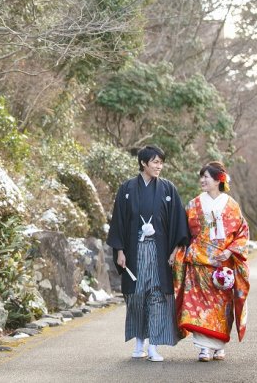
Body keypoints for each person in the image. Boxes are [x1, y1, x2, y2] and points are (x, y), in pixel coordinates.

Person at [107, 145, 190, 362]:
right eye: (155, 162)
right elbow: (118, 222)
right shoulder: (126, 189)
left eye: (161, 162)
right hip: (134, 251)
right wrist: (120, 251)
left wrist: (174, 251)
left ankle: (153, 345)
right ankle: (138, 342)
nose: (159, 166)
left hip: (159, 251)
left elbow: (178, 223)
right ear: (144, 163)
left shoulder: (168, 189)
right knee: (136, 296)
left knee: (157, 296)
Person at [172, 161, 250, 362]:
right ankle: (203, 348)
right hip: (198, 262)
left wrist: (230, 251)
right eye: (202, 176)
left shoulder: (231, 205)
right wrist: (178, 252)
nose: (202, 180)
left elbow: (242, 233)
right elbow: (184, 233)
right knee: (197, 305)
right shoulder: (194, 203)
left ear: (218, 180)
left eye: (206, 176)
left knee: (221, 307)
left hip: (222, 265)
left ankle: (219, 346)